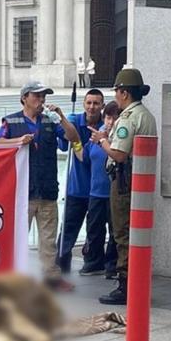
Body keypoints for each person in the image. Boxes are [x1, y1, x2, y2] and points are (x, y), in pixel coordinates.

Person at [0, 81, 80, 292]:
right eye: (37, 96)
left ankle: (51, 278)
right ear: (24, 97)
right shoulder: (12, 121)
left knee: (48, 239)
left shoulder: (50, 122)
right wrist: (17, 141)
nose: (41, 100)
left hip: (48, 189)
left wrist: (61, 117)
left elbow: (73, 138)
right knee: (17, 237)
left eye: (43, 96)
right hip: (22, 192)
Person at [89, 68, 156, 305]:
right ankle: (136, 283)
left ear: (124, 93)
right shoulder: (146, 115)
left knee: (123, 232)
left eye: (117, 91)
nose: (116, 96)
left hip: (124, 181)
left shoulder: (128, 118)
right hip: (139, 181)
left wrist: (102, 140)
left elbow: (118, 154)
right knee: (135, 233)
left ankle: (126, 284)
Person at [56, 89, 104, 274]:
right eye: (89, 103)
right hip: (77, 187)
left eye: (96, 103)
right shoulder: (74, 121)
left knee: (96, 230)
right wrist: (62, 119)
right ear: (84, 104)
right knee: (68, 228)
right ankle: (61, 261)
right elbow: (63, 140)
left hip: (97, 189)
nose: (92, 107)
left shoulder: (105, 125)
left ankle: (93, 262)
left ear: (102, 106)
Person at [80, 101, 119, 278]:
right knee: (94, 228)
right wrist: (75, 142)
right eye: (108, 117)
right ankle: (94, 261)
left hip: (114, 191)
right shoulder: (96, 135)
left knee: (114, 230)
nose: (110, 122)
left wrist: (105, 139)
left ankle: (112, 264)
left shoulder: (119, 136)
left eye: (114, 117)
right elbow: (85, 156)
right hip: (96, 191)